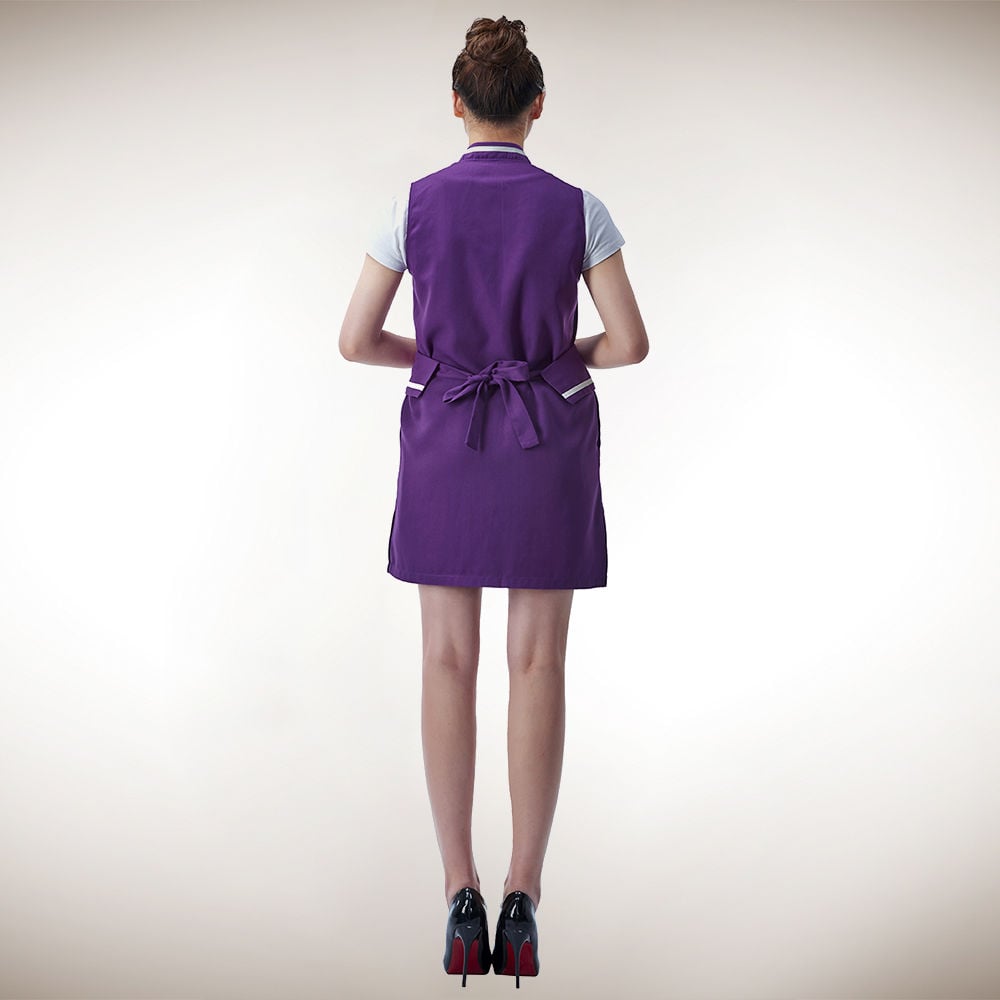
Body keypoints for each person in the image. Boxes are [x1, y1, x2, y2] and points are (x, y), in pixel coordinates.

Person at [339, 14, 648, 988]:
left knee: (445, 659)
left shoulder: (412, 205)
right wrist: (555, 357)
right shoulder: (578, 208)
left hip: (446, 437)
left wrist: (437, 356)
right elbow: (629, 343)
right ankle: (523, 894)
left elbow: (355, 340)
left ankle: (458, 890)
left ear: (457, 104)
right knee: (537, 662)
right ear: (537, 106)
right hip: (544, 439)